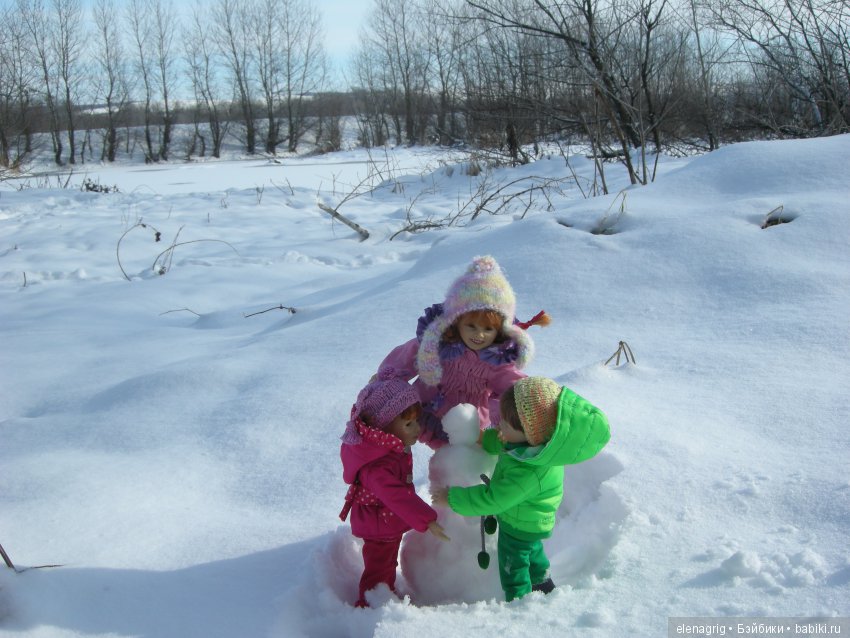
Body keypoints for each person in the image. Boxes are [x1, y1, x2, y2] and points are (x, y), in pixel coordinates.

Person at [431, 376, 610, 602]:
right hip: (530, 520)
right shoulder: (533, 446)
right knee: (532, 554)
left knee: (513, 566)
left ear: (530, 434)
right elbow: (503, 442)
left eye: (505, 424)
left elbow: (494, 499)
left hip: (519, 526)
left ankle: (519, 604)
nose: (499, 426)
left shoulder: (529, 472)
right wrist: (481, 438)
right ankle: (543, 584)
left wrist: (452, 498)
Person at [378, 255, 549, 448]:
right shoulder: (437, 343)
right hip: (426, 411)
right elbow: (406, 356)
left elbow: (513, 391)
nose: (479, 335)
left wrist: (507, 419)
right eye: (471, 326)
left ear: (500, 330)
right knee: (401, 440)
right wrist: (386, 378)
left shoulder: (496, 361)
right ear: (456, 321)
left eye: (488, 329)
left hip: (468, 424)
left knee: (458, 458)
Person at [339, 371, 449, 608]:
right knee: (379, 566)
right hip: (379, 523)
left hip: (384, 520)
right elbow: (396, 495)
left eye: (417, 421)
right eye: (409, 424)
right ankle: (371, 605)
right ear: (384, 428)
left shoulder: (386, 447)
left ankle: (383, 592)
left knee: (386, 562)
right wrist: (426, 519)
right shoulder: (377, 464)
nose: (417, 429)